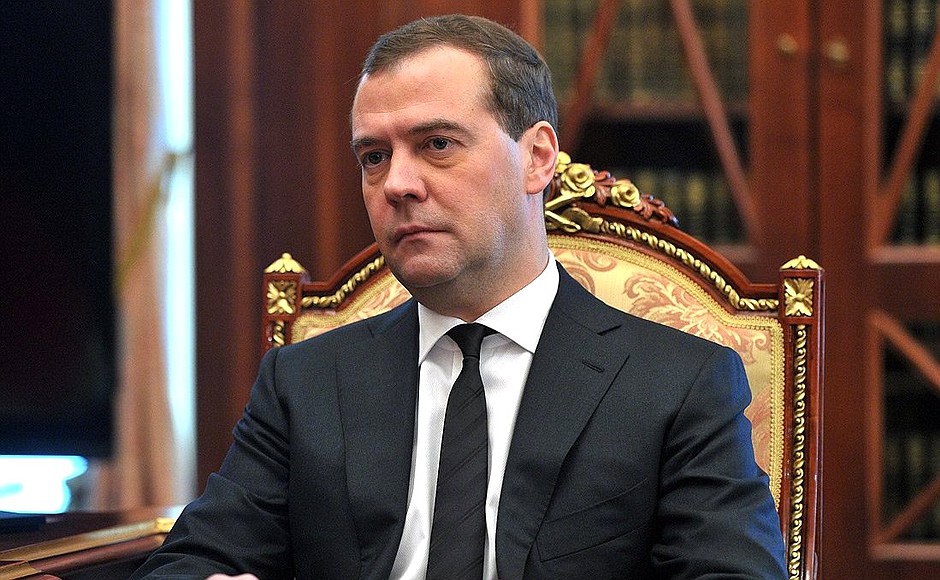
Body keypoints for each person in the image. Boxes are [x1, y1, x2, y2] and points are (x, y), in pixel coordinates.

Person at [132, 14, 786, 579]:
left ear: (537, 158)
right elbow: (190, 561)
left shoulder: (677, 385)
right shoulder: (305, 384)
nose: (398, 184)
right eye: (373, 157)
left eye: (437, 144)